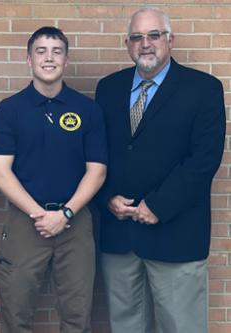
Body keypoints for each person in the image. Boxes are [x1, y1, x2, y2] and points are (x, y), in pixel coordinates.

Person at [95, 7, 226, 333]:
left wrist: (158, 205)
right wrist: (107, 196)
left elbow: (204, 160)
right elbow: (98, 154)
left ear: (170, 40)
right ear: (127, 43)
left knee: (182, 327)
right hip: (120, 235)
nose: (146, 44)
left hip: (176, 235)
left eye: (154, 35)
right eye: (137, 37)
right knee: (124, 326)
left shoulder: (204, 88)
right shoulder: (108, 88)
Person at [0, 26, 108, 333]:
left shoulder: (88, 110)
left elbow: (97, 171)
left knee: (77, 316)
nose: (49, 58)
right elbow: (0, 172)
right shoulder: (9, 110)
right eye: (41, 51)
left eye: (57, 51)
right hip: (25, 221)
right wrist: (40, 214)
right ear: (29, 59)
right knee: (16, 314)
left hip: (76, 222)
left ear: (66, 60)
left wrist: (65, 213)